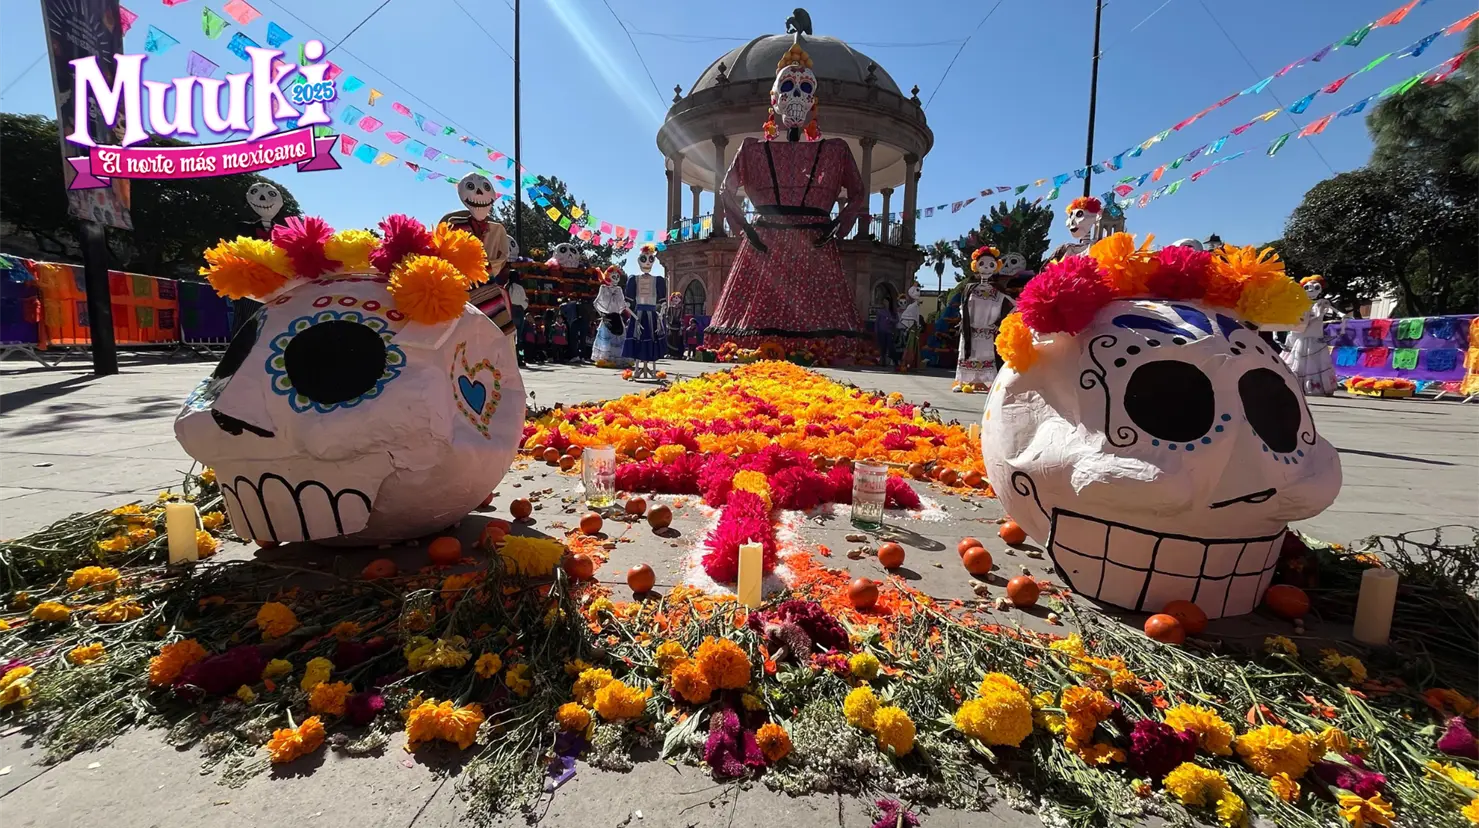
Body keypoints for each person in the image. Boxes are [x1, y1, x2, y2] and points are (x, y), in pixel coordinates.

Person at [704, 32, 869, 359]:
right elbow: (726, 190)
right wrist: (747, 230)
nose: (796, 96)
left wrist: (838, 226)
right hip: (770, 241)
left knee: (816, 326)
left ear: (813, 100)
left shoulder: (835, 151)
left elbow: (858, 193)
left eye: (806, 88)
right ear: (774, 99)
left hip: (808, 242)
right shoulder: (751, 149)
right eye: (787, 87)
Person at [953, 247, 1013, 391]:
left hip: (987, 329)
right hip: (971, 328)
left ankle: (989, 381)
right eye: (982, 264)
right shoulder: (970, 288)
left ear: (996, 266)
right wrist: (964, 320)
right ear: (976, 266)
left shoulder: (997, 290)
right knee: (969, 353)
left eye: (991, 265)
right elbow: (963, 306)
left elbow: (1013, 305)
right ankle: (963, 382)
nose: (986, 267)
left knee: (986, 355)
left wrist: (999, 323)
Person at [1282, 275, 1346, 397]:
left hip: (1316, 338)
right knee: (1298, 361)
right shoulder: (1299, 304)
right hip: (1301, 337)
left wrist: (1342, 324)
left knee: (1315, 362)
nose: (1311, 290)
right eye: (1307, 287)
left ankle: (1313, 387)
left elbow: (1339, 314)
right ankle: (1297, 385)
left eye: (1316, 287)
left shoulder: (1322, 304)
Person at [592, 266, 631, 368]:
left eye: (617, 276)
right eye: (614, 276)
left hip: (617, 317)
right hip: (607, 317)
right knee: (607, 339)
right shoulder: (603, 288)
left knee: (619, 338)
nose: (616, 278)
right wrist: (602, 314)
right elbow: (596, 303)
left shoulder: (619, 289)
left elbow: (622, 304)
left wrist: (625, 306)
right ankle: (605, 359)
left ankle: (618, 358)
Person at [506, 271, 529, 367]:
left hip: (510, 311)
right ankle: (519, 358)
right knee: (519, 337)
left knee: (509, 336)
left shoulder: (507, 287)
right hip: (519, 311)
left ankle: (508, 358)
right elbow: (525, 301)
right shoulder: (520, 288)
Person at [560, 296, 583, 363]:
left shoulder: (562, 306)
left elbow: (562, 314)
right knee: (575, 340)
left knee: (570, 340)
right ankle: (577, 355)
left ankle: (572, 355)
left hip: (569, 323)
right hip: (576, 322)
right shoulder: (574, 303)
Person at [872, 300, 896, 367]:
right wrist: (876, 331)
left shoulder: (892, 312)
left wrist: (892, 320)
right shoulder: (880, 312)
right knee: (883, 347)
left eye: (887, 302)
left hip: (889, 331)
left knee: (890, 346)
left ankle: (893, 361)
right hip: (881, 331)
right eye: (885, 302)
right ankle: (883, 361)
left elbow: (896, 320)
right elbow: (877, 322)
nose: (886, 303)